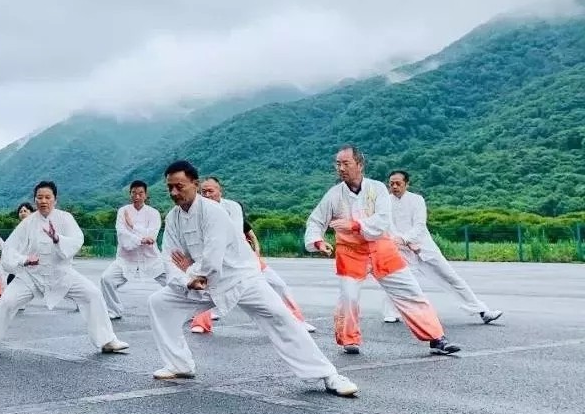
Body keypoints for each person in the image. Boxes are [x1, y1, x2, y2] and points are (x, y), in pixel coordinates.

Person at [145, 160, 358, 397]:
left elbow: (212, 258)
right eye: (170, 188)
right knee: (159, 303)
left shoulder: (213, 212)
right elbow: (169, 258)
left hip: (240, 279)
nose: (174, 193)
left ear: (195, 184)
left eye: (179, 186)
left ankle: (328, 375)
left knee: (281, 317)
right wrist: (187, 280)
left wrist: (191, 271)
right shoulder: (173, 217)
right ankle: (179, 365)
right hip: (200, 284)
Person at [304, 145, 461, 356]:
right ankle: (349, 339)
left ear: (359, 165)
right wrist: (318, 241)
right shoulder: (333, 195)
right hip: (350, 252)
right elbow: (316, 220)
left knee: (410, 292)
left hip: (382, 249)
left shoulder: (377, 189)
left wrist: (354, 225)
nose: (340, 168)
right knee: (349, 297)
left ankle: (437, 338)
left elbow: (382, 220)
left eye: (346, 163)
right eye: (338, 164)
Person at [0, 181, 129, 357]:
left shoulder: (65, 218)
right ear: (35, 200)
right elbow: (9, 250)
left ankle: (107, 341)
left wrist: (57, 238)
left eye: (47, 197)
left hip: (61, 274)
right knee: (6, 302)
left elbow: (77, 240)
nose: (43, 201)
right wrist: (25, 260)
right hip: (31, 277)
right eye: (39, 197)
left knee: (92, 294)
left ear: (55, 200)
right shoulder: (27, 223)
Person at [191, 177, 317, 335]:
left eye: (211, 191)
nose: (207, 195)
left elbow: (237, 232)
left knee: (278, 285)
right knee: (205, 288)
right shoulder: (197, 212)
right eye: (203, 192)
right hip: (214, 259)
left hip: (243, 258)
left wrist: (256, 249)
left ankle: (297, 320)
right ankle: (201, 322)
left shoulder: (232, 207)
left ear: (220, 191)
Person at [381, 170, 503, 325]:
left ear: (407, 184)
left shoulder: (417, 200)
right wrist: (404, 242)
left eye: (398, 183)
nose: (394, 186)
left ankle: (482, 311)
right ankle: (391, 312)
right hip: (401, 251)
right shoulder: (385, 202)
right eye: (391, 183)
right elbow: (387, 227)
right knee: (399, 280)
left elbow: (419, 225)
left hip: (425, 247)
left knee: (451, 277)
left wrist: (406, 239)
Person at [100, 180, 166, 320]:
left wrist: (133, 226)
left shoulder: (153, 213)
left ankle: (191, 310)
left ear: (146, 195)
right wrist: (141, 239)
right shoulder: (123, 211)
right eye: (134, 193)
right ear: (130, 194)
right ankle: (114, 310)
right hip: (127, 258)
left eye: (140, 193)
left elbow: (152, 235)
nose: (137, 196)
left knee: (174, 281)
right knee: (107, 279)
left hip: (150, 258)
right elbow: (122, 234)